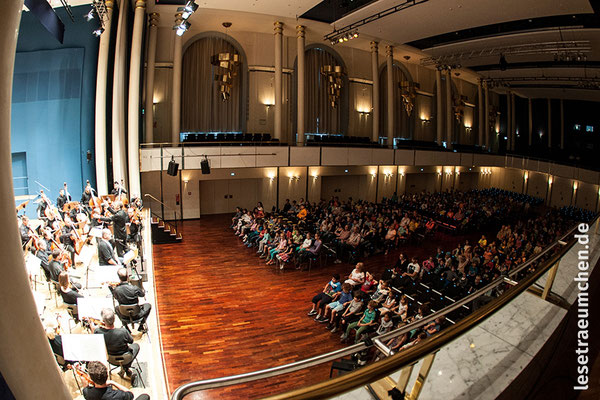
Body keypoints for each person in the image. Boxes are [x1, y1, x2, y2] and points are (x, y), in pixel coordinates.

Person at [91, 308, 139, 380]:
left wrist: (92, 326)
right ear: (114, 319)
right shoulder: (123, 331)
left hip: (111, 359)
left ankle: (125, 368)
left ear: (103, 321)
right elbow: (131, 341)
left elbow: (95, 339)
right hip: (126, 358)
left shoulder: (98, 332)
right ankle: (126, 367)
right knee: (136, 346)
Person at [83, 361, 150, 400]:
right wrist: (113, 382)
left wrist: (85, 385)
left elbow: (86, 390)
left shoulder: (87, 393)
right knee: (145, 397)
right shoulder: (117, 395)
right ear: (107, 376)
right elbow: (131, 395)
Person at [112, 268, 152, 332]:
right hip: (137, 313)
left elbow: (115, 297)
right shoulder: (134, 288)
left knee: (116, 308)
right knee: (148, 305)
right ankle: (141, 325)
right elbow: (142, 294)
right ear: (128, 277)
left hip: (124, 314)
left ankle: (125, 326)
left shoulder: (116, 290)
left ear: (119, 278)